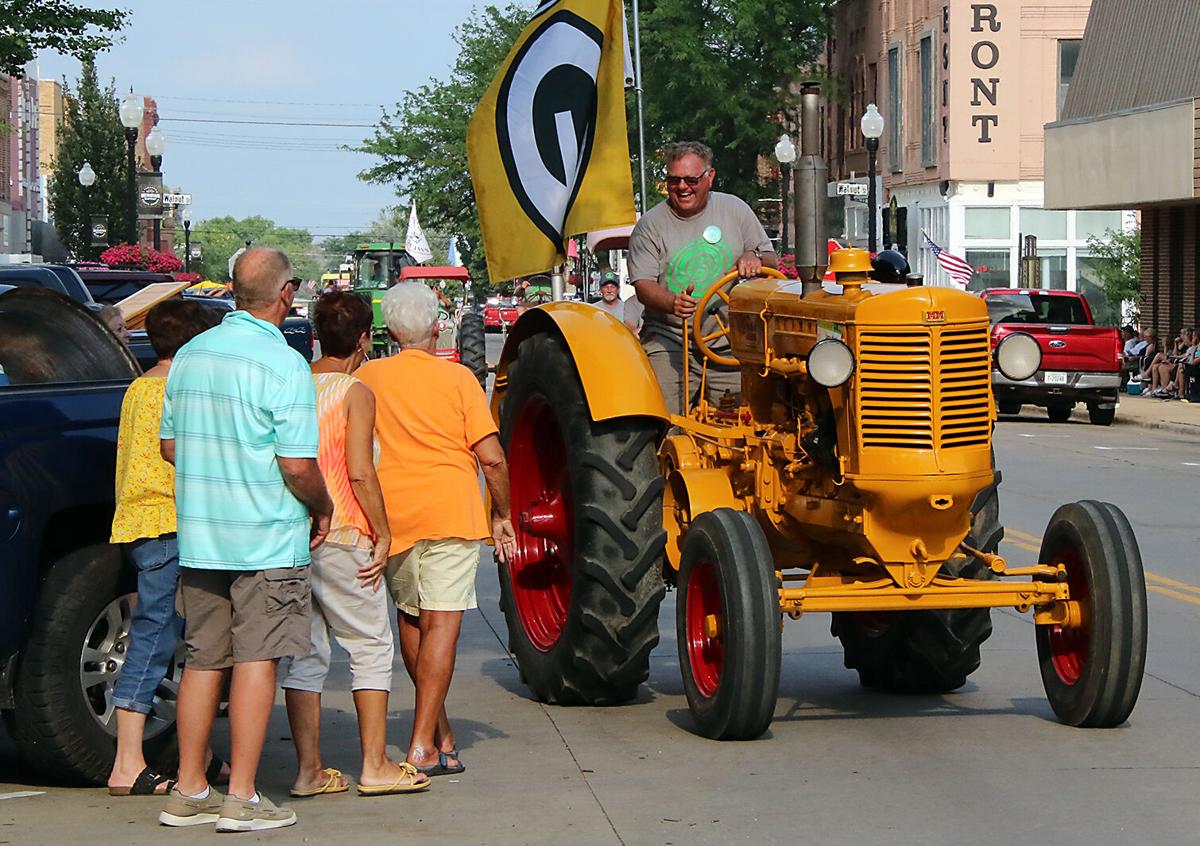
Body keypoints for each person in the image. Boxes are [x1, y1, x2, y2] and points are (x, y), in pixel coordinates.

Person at [158, 248, 332, 833]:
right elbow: (299, 466)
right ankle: (243, 795)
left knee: (204, 662)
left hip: (203, 533)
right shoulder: (283, 363)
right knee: (259, 659)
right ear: (286, 294)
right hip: (266, 535)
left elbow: (170, 447)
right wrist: (323, 507)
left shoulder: (188, 357)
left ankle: (188, 788)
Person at [356, 282, 517, 779]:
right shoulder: (460, 380)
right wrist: (502, 512)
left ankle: (439, 731)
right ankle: (423, 744)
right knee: (442, 625)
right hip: (449, 513)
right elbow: (490, 457)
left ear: (389, 329)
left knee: (411, 619)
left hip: (392, 517)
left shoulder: (367, 377)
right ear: (435, 326)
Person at [281, 292, 430, 798]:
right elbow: (360, 471)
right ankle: (374, 764)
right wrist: (383, 532)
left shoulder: (293, 381)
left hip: (293, 534)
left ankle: (308, 772)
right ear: (365, 339)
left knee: (306, 653)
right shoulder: (354, 390)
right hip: (344, 531)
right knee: (370, 646)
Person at [106, 299, 223, 797]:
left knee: (170, 635)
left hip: (136, 521)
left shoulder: (138, 387)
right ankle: (127, 762)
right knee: (155, 639)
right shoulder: (180, 389)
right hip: (169, 523)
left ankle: (201, 755)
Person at [627, 140, 777, 415]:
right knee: (663, 418)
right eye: (674, 180)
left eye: (691, 179)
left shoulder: (735, 210)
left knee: (740, 421)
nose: (682, 187)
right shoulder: (650, 226)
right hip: (671, 339)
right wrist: (672, 302)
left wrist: (753, 256)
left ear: (710, 177)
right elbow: (643, 286)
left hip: (727, 341)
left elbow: (770, 260)